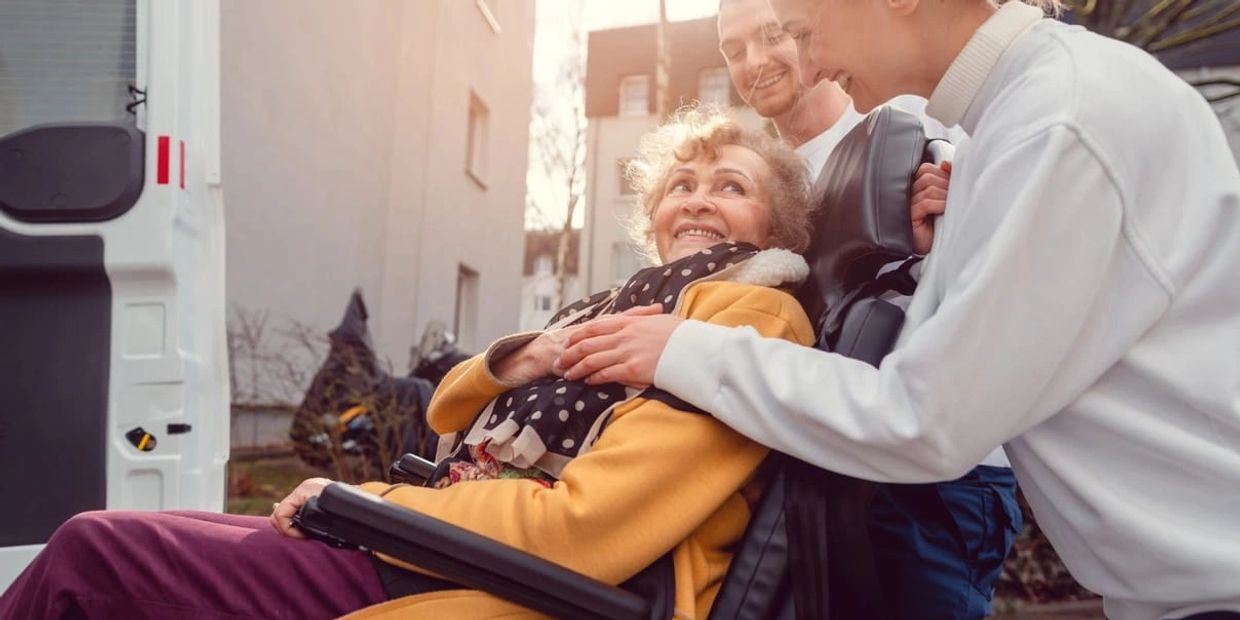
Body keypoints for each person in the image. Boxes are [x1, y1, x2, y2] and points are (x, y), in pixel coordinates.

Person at [557, 0, 1240, 618]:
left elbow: (925, 418)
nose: (812, 61)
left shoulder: (1058, 122)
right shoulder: (1021, 118)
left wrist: (683, 348)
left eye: (801, 31)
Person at [0, 108, 821, 620]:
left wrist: (366, 503)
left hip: (515, 581)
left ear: (777, 224)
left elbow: (584, 532)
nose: (697, 198)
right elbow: (446, 415)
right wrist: (518, 360)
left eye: (729, 185)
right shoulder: (618, 303)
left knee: (90, 554)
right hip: (441, 536)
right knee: (112, 542)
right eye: (680, 184)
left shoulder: (747, 313)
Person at [718, 1, 1020, 616]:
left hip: (933, 473)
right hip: (821, 463)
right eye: (732, 48)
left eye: (773, 35)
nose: (754, 62)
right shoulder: (759, 182)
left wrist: (956, 219)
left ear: (814, 28)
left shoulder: (912, 130)